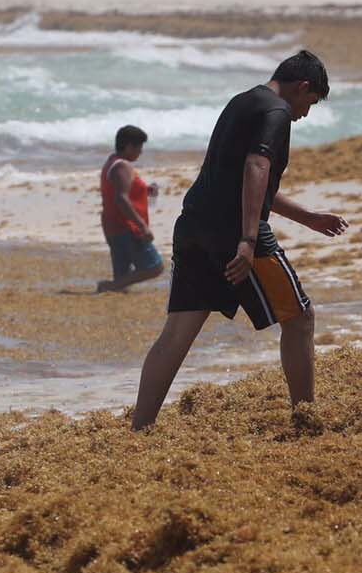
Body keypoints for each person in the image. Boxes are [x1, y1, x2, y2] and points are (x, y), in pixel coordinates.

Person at [130, 50, 348, 430]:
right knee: (299, 319)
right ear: (303, 87)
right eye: (309, 104)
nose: (305, 114)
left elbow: (248, 182)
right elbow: (256, 168)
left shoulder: (242, 102)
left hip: (193, 227)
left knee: (177, 334)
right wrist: (248, 240)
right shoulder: (278, 112)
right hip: (234, 234)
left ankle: (139, 428)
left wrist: (308, 218)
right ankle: (306, 419)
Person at [96, 124, 163, 293]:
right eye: (139, 147)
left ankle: (112, 289)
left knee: (122, 279)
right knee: (155, 266)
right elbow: (121, 198)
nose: (141, 151)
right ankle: (108, 286)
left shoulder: (112, 162)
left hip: (113, 225)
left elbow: (120, 192)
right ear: (128, 146)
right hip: (126, 227)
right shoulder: (121, 166)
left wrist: (146, 190)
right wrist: (142, 226)